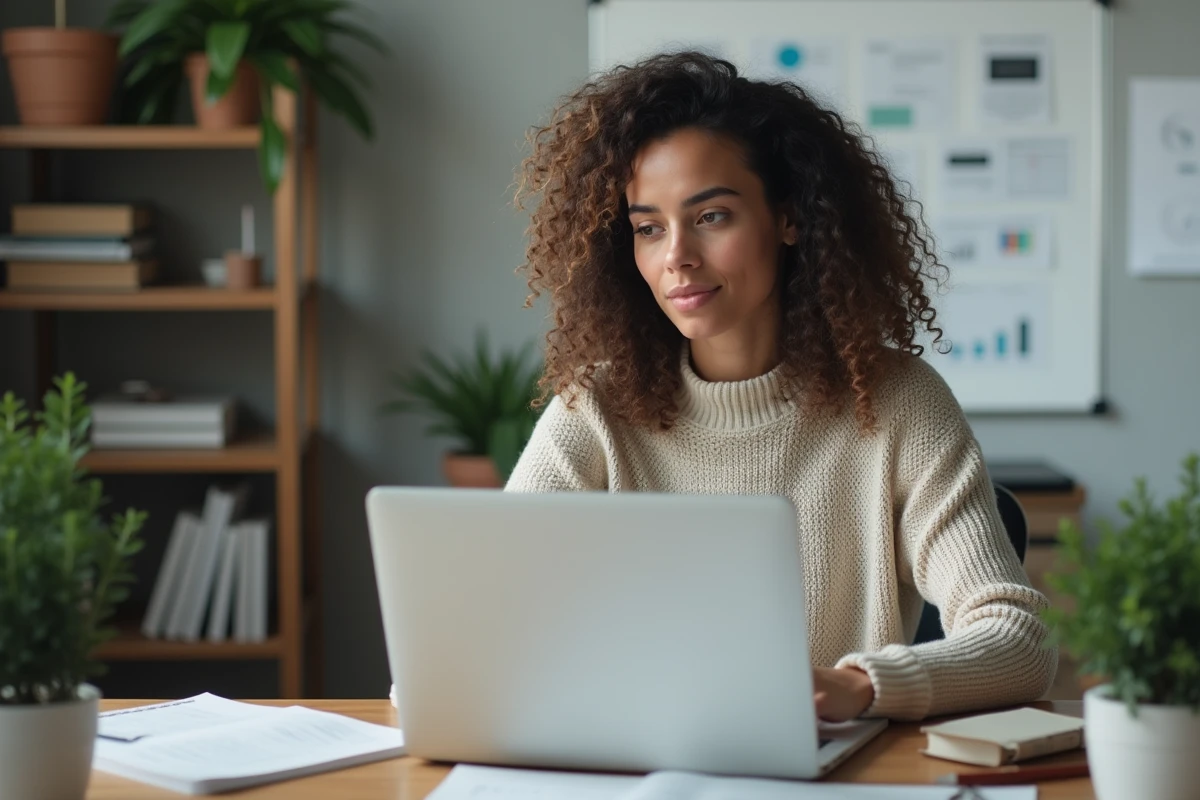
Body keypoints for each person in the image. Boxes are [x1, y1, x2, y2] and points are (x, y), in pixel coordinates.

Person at [507, 52, 1055, 722]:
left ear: (789, 219)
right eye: (648, 228)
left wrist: (861, 686)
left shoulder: (895, 401)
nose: (676, 254)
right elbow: (494, 624)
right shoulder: (594, 410)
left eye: (711, 216)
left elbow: (1019, 642)